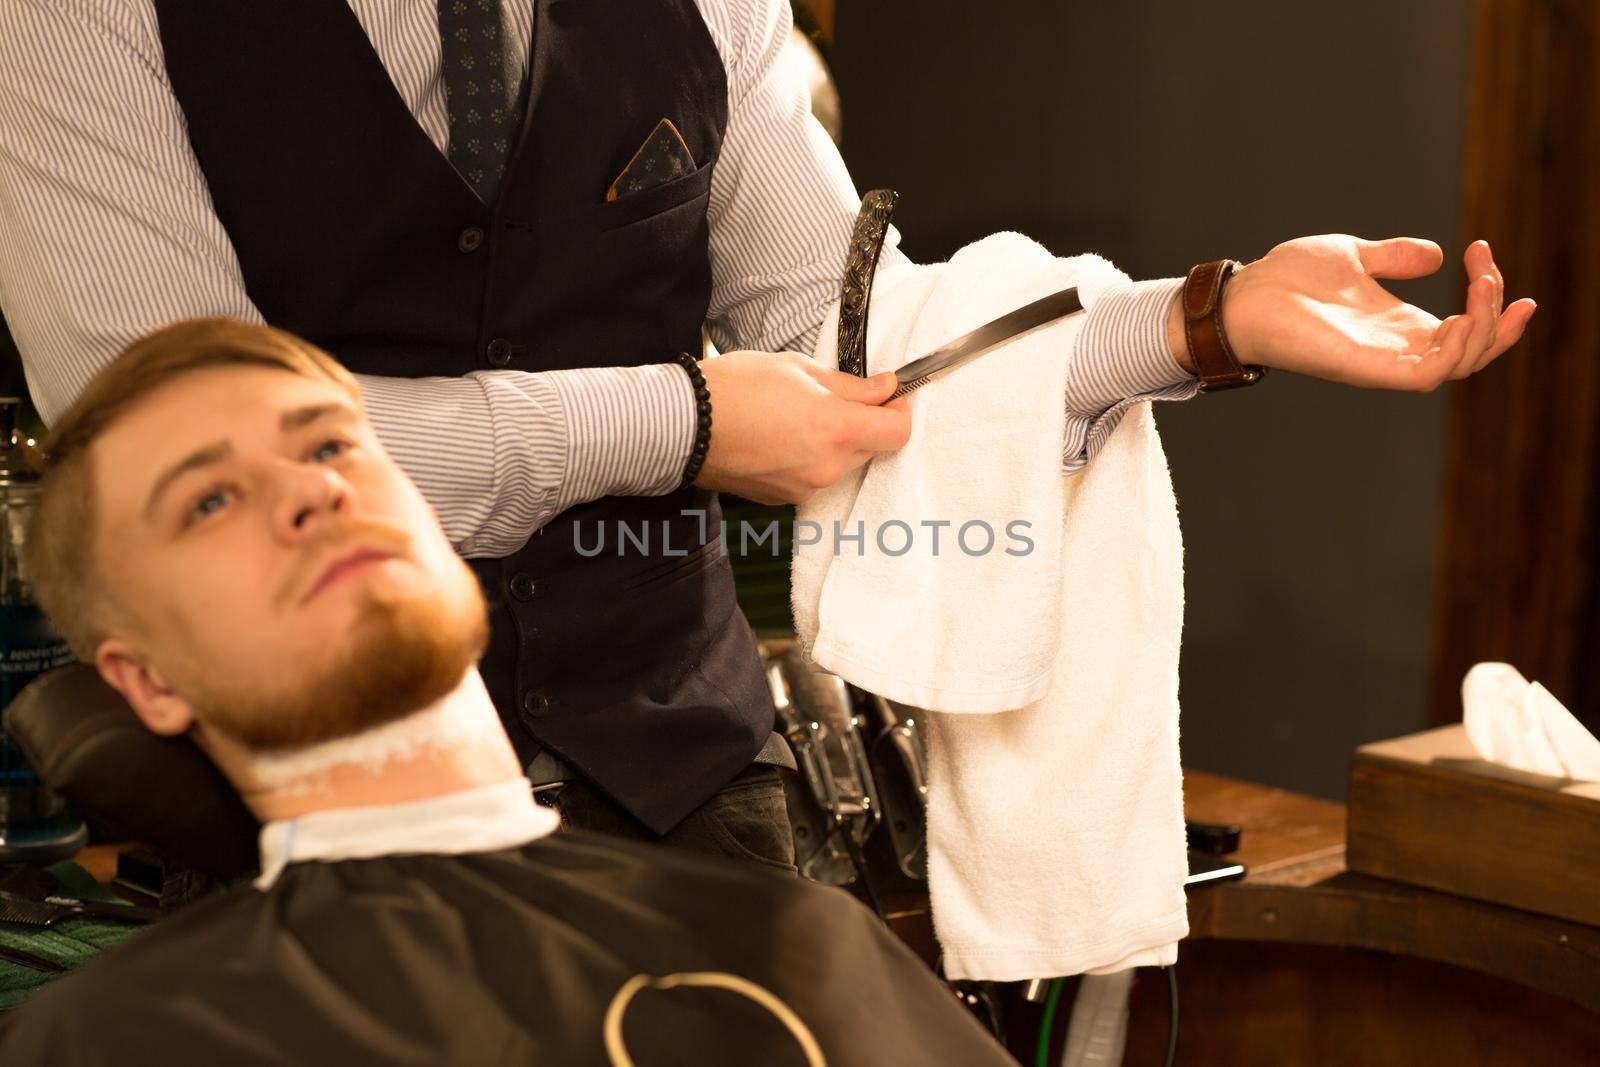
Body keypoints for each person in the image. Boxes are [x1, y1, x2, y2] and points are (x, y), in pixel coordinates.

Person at [0, 0, 1533, 867]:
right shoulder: (76, 17)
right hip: (292, 804)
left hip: (681, 771)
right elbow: (166, 433)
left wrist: (1208, 320)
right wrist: (675, 420)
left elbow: (847, 344)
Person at [0, 317, 1015, 1066]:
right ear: (147, 678)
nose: (313, 489)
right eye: (209, 498)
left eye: (329, 444)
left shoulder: (793, 948)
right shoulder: (118, 1039)